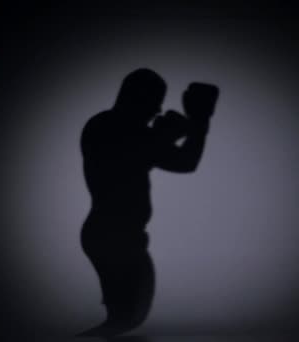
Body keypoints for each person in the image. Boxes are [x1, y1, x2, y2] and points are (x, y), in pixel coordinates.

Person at [78, 68, 217, 337]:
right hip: (111, 236)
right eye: (154, 102)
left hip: (122, 237)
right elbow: (135, 153)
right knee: (124, 319)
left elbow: (183, 161)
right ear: (135, 98)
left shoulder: (125, 130)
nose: (157, 110)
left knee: (127, 318)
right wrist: (195, 124)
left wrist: (195, 126)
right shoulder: (106, 126)